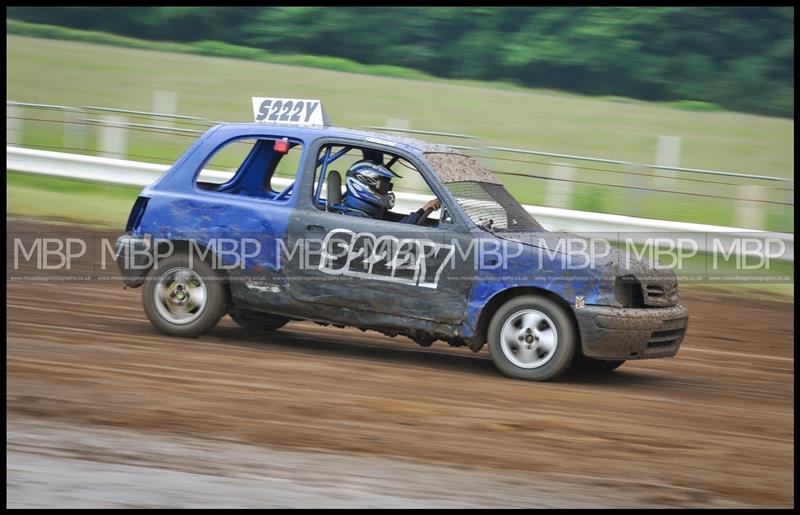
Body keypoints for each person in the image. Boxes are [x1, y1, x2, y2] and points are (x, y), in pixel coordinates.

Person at [341, 160, 440, 224]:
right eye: (383, 186)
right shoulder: (356, 218)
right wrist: (423, 210)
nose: (387, 190)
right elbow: (396, 233)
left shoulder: (371, 212)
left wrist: (422, 213)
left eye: (388, 186)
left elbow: (395, 222)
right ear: (363, 183)